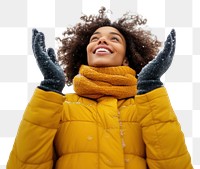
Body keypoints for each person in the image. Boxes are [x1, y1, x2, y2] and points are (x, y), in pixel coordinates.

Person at [7, 7, 193, 169]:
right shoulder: (60, 106)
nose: (102, 41)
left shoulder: (145, 108)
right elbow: (24, 164)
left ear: (127, 58)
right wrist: (49, 88)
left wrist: (150, 86)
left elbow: (173, 164)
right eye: (95, 38)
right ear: (86, 53)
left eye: (114, 39)